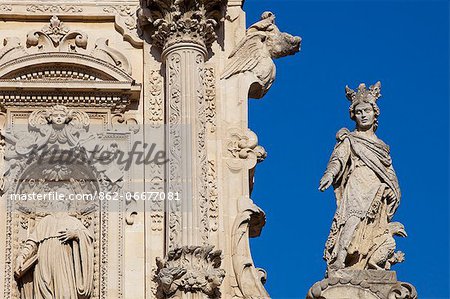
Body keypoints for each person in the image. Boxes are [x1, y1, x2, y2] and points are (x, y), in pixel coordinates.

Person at [318, 81, 401, 271]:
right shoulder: (350, 139)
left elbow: (388, 172)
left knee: (373, 225)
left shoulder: (382, 147)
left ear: (375, 113)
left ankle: (368, 260)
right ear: (353, 116)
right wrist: (330, 174)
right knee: (351, 219)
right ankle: (341, 258)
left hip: (376, 188)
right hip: (356, 181)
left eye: (367, 111)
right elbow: (339, 158)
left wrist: (391, 190)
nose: (363, 115)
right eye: (359, 112)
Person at [14, 187, 94, 299]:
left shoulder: (73, 222)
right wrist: (21, 257)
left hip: (64, 266)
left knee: (65, 293)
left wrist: (75, 234)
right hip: (43, 266)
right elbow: (32, 243)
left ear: (67, 202)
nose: (59, 202)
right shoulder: (45, 221)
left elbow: (88, 239)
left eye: (62, 199)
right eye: (57, 199)